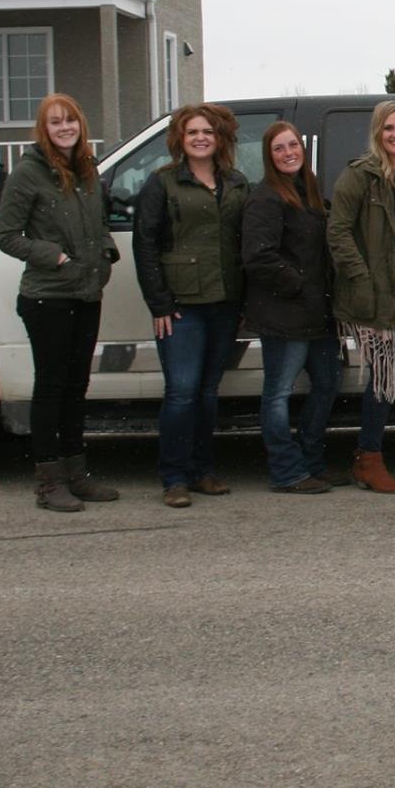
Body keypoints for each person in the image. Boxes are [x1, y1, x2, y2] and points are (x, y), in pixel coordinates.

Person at [0, 92, 122, 512]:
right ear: (44, 129)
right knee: (51, 388)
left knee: (76, 387)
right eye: (55, 122)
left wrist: (105, 251)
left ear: (80, 124)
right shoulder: (28, 173)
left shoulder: (87, 169)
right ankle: (49, 484)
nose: (64, 127)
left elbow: (99, 222)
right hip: (47, 297)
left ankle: (77, 475)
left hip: (86, 292)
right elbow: (7, 236)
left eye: (70, 120)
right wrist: (56, 256)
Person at [133, 103, 248, 508]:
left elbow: (244, 242)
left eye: (208, 132)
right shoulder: (161, 183)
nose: (201, 138)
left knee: (207, 393)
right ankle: (175, 478)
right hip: (181, 307)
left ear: (219, 139)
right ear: (180, 140)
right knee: (182, 392)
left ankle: (202, 472)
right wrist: (159, 304)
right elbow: (145, 245)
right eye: (192, 132)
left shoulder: (236, 183)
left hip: (225, 303)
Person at [328, 99, 395, 495]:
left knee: (392, 373)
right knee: (384, 375)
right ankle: (369, 458)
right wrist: (362, 277)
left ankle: (368, 455)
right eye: (389, 128)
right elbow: (338, 231)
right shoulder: (361, 175)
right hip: (375, 295)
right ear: (378, 132)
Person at [242, 120, 344, 495]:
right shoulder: (265, 198)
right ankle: (286, 471)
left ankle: (311, 463)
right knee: (278, 393)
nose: (288, 153)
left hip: (317, 313)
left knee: (328, 383)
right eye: (279, 148)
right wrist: (299, 284)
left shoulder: (309, 192)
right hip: (284, 313)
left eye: (293, 145)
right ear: (269, 156)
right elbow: (258, 256)